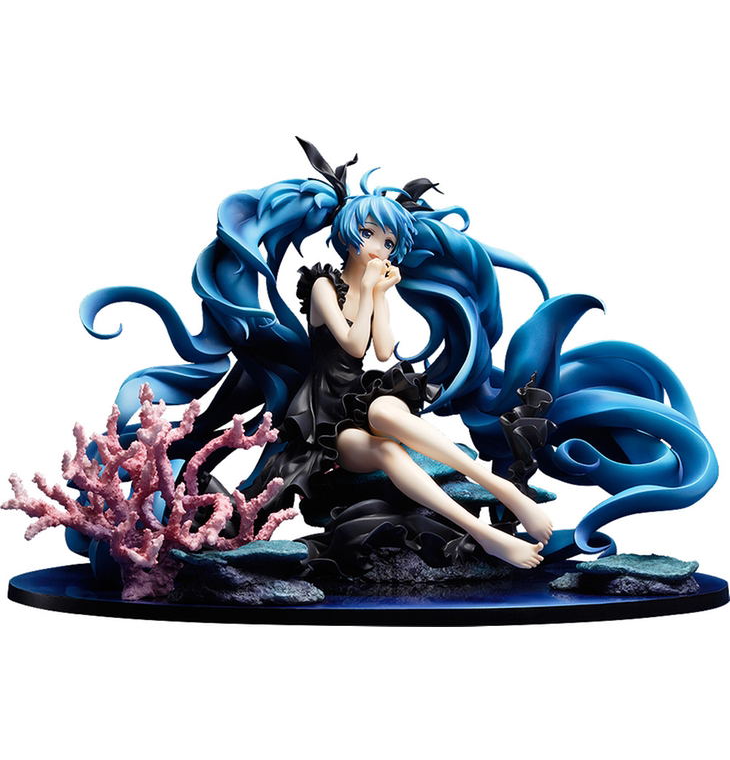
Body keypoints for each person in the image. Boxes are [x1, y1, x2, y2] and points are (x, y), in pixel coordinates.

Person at [80, 137, 718, 564]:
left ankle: (498, 508)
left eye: (390, 242)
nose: (383, 249)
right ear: (352, 236)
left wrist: (384, 295)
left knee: (388, 420)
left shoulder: (372, 283)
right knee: (385, 430)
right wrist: (369, 289)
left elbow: (383, 350)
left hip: (361, 406)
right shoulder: (322, 284)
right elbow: (349, 341)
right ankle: (492, 525)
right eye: (375, 237)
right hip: (319, 422)